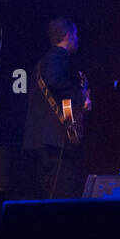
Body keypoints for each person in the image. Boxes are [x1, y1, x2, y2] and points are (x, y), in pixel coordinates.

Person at [22, 18, 90, 198]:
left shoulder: (44, 60)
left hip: (41, 138)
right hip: (54, 140)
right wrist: (81, 96)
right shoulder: (58, 56)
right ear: (68, 35)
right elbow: (54, 81)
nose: (77, 38)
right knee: (62, 192)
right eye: (75, 34)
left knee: (47, 194)